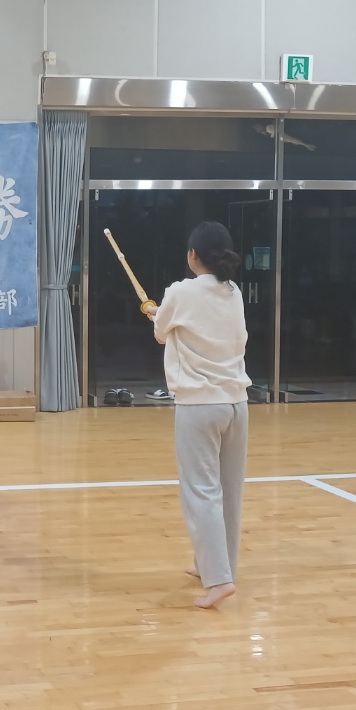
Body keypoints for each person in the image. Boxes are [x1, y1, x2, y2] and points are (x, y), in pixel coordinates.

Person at [146, 220, 251, 609]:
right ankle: (217, 566)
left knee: (202, 492)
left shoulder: (180, 291)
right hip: (236, 404)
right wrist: (161, 314)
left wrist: (155, 313)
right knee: (229, 491)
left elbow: (161, 332)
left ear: (193, 255)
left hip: (199, 406)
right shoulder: (234, 292)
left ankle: (219, 580)